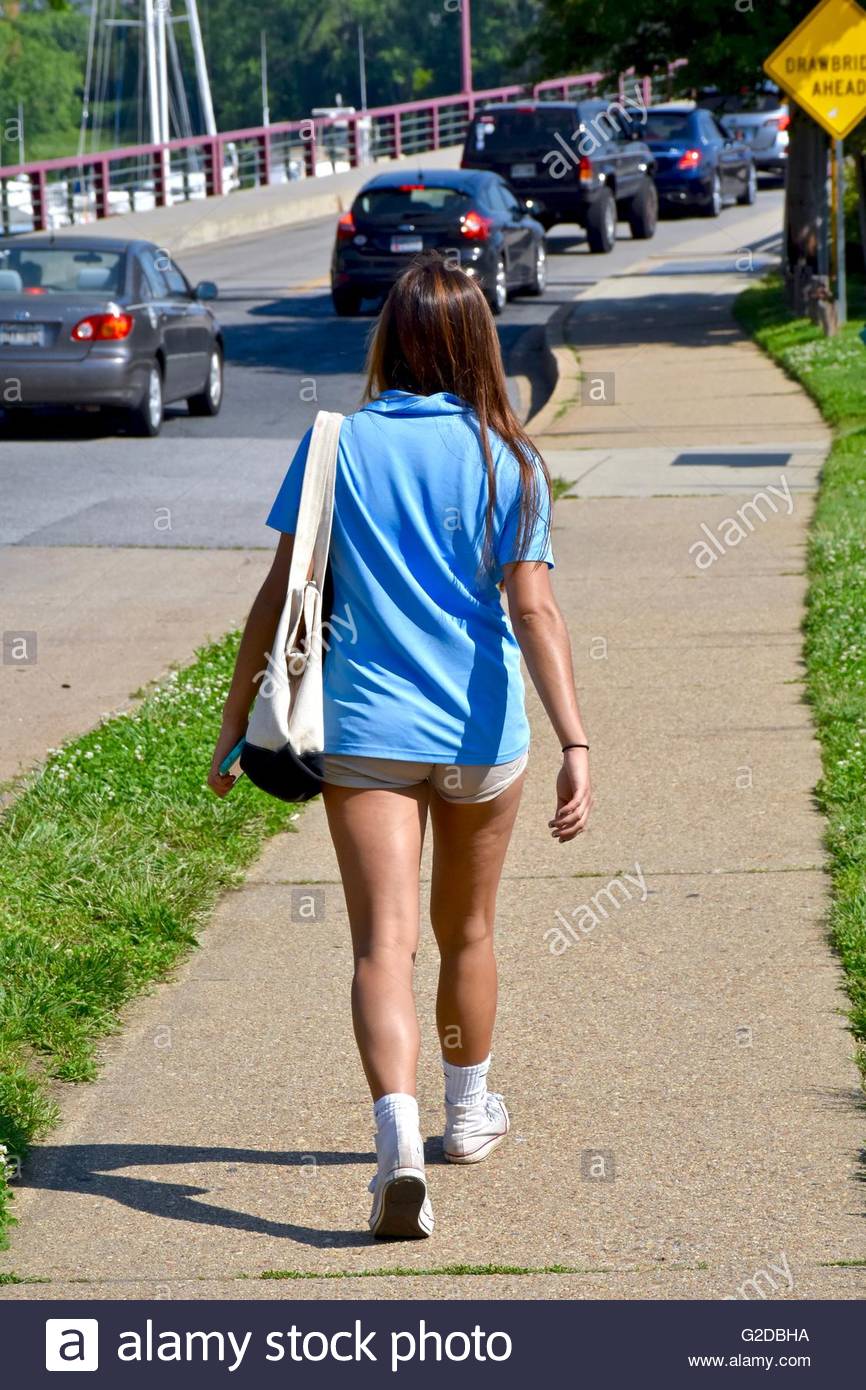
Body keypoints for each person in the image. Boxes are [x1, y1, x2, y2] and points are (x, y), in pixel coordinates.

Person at [209, 252, 592, 1240]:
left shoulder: (334, 444)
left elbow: (278, 592)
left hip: (365, 733)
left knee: (382, 942)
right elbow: (533, 606)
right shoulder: (507, 457)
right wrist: (573, 740)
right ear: (476, 343)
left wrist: (232, 719)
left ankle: (395, 1138)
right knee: (466, 931)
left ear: (388, 341)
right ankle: (468, 1114)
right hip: (476, 733)